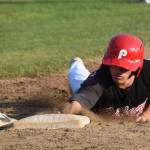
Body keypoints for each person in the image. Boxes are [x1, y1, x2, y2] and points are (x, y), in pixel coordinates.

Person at [63, 33, 150, 123]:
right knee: (78, 85)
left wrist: (147, 114)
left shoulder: (147, 71)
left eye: (124, 67)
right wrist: (69, 109)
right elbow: (82, 100)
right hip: (89, 90)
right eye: (114, 65)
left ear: (136, 67)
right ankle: (76, 64)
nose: (117, 71)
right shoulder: (99, 80)